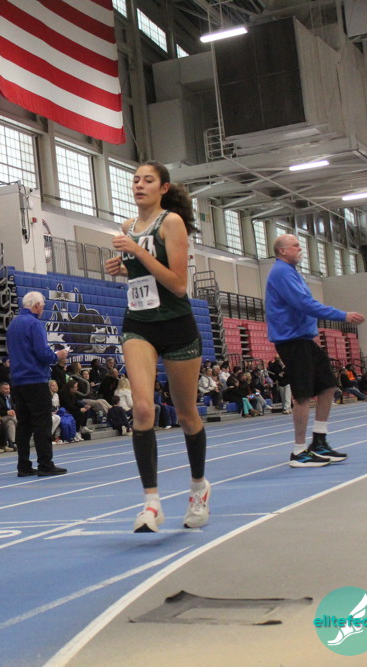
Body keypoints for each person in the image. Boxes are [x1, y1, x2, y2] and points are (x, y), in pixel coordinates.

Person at [105, 160, 210, 533]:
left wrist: (137, 251)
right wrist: (123, 268)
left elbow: (178, 285)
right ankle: (151, 503)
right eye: (135, 180)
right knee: (143, 409)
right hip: (139, 324)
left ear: (163, 188)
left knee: (186, 414)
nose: (139, 185)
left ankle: (198, 488)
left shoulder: (171, 223)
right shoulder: (127, 227)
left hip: (177, 326)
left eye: (147, 180)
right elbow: (143, 275)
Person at [265, 233, 364, 467]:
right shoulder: (281, 272)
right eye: (295, 246)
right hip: (292, 341)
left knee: (328, 385)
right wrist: (342, 316)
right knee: (302, 395)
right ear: (282, 251)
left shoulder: (292, 272)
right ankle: (299, 451)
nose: (300, 249)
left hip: (304, 339)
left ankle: (319, 441)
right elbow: (304, 304)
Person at [5, 291, 69, 477]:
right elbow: (42, 353)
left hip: (18, 381)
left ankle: (23, 465)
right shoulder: (34, 324)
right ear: (37, 305)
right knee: (42, 422)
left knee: (24, 424)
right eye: (43, 305)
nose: (43, 309)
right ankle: (45, 464)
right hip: (35, 379)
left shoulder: (13, 324)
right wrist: (57, 356)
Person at [0, 381, 18, 451]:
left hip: (9, 418)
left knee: (10, 423)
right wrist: (7, 412)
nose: (8, 390)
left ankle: (12, 443)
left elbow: (14, 407)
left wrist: (13, 411)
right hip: (0, 417)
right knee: (13, 417)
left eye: (8, 389)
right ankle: (22, 426)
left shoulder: (9, 397)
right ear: (0, 389)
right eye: (5, 389)